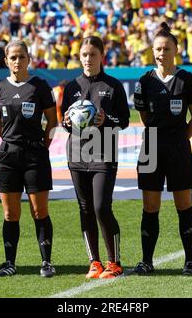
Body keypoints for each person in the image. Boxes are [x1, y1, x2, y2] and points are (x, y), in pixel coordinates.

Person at [133, 22, 192, 275]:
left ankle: (190, 262)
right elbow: (143, 116)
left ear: (175, 49)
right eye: (158, 49)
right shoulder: (144, 81)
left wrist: (180, 138)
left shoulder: (187, 79)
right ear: (153, 51)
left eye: (166, 48)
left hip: (178, 148)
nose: (162, 53)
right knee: (150, 207)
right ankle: (147, 261)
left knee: (183, 205)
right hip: (150, 147)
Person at [62, 36, 130, 279]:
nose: (88, 59)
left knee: (101, 207)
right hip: (77, 155)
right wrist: (67, 122)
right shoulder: (71, 87)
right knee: (85, 208)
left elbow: (124, 120)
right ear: (79, 57)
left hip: (104, 154)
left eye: (93, 54)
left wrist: (105, 120)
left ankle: (115, 262)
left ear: (102, 56)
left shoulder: (113, 86)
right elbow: (65, 122)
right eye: (84, 55)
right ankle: (95, 262)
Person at [0, 40, 58, 278]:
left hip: (34, 155)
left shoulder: (39, 86)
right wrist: (9, 140)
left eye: (22, 57)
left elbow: (52, 122)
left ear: (29, 59)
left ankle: (47, 262)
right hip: (7, 156)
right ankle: (9, 263)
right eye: (13, 57)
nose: (17, 61)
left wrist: (43, 146)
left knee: (39, 211)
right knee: (10, 214)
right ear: (6, 61)